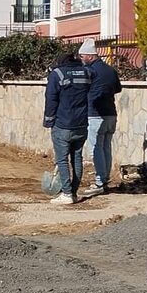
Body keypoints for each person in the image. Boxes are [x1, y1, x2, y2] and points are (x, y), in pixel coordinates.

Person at [43, 44, 93, 205]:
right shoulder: (87, 73)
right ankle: (74, 192)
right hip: (82, 123)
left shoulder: (57, 74)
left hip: (63, 123)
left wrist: (48, 120)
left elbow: (51, 98)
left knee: (62, 159)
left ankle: (66, 193)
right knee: (77, 157)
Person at [79, 39, 122, 196]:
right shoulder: (110, 70)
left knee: (96, 148)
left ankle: (99, 181)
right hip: (111, 113)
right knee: (106, 147)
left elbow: (84, 90)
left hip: (95, 115)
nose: (81, 60)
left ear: (90, 56)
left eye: (82, 56)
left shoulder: (90, 72)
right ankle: (104, 179)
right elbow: (117, 88)